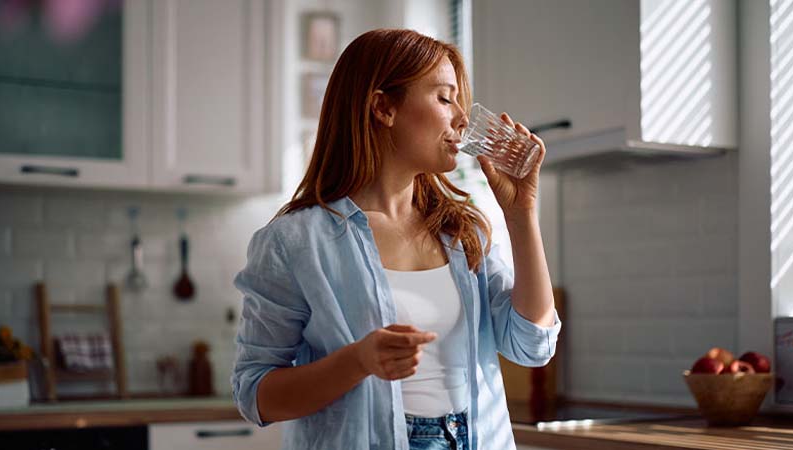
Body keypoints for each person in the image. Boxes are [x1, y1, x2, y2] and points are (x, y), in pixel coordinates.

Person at [232, 28, 561, 450]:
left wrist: (521, 215)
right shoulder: (295, 242)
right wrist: (357, 361)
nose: (462, 118)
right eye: (445, 98)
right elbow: (256, 395)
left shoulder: (462, 231)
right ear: (383, 107)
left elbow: (532, 346)